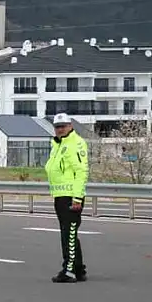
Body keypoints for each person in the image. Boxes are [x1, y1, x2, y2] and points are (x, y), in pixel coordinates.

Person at [44, 112, 89, 283]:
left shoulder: (76, 144)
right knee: (68, 233)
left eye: (63, 126)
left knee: (68, 235)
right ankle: (78, 268)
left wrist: (77, 198)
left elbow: (81, 171)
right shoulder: (57, 144)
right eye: (57, 127)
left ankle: (69, 271)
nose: (60, 130)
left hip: (71, 196)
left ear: (70, 126)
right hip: (60, 194)